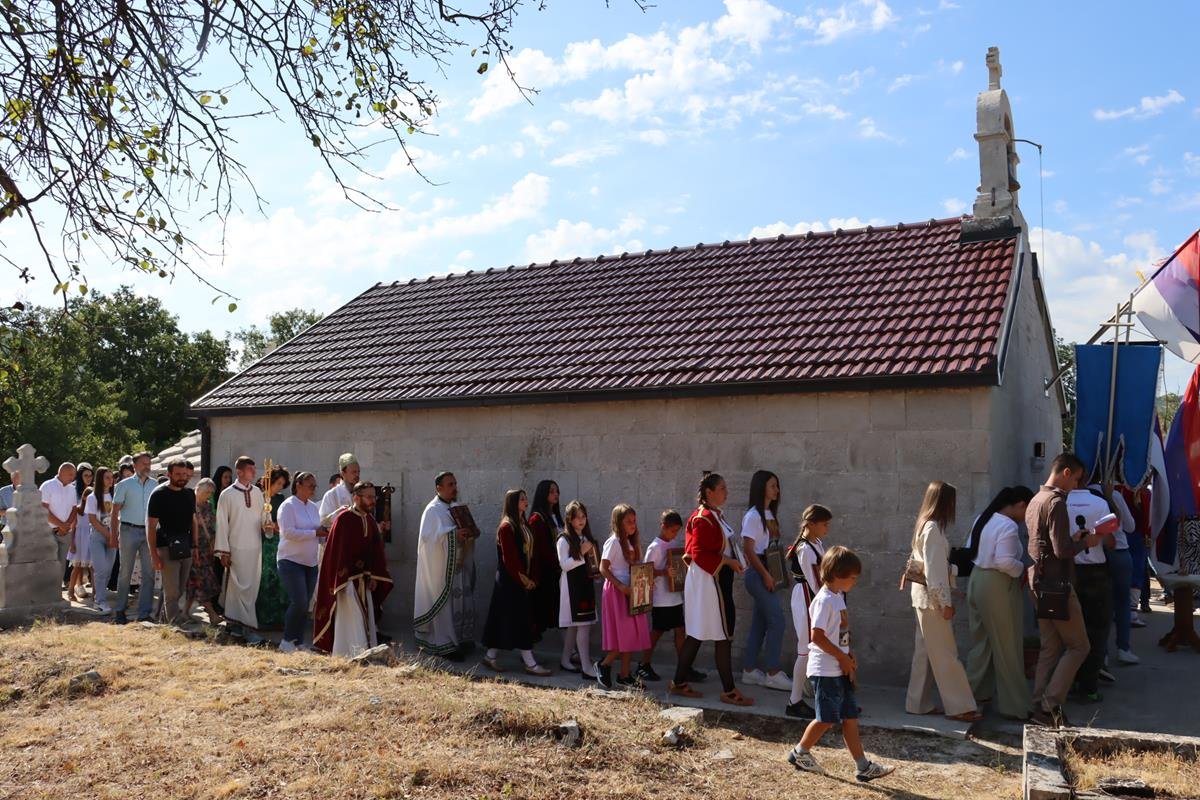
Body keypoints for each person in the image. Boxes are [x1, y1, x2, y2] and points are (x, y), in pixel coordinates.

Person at [786, 546, 895, 784]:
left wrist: (849, 655)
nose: (855, 582)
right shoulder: (824, 600)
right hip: (825, 670)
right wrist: (842, 657)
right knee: (826, 718)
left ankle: (863, 766)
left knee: (850, 717)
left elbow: (839, 634)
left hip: (839, 667)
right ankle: (799, 753)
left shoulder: (837, 598)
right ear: (837, 574)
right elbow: (817, 636)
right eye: (853, 577)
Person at [1027, 453, 1103, 727]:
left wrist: (1072, 540)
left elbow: (1049, 544)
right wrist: (1087, 542)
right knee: (1080, 646)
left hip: (1038, 581)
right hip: (1057, 584)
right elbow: (1061, 551)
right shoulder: (1057, 501)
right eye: (1077, 480)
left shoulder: (1036, 500)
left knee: (1050, 647)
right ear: (1067, 472)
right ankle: (1050, 706)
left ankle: (1039, 706)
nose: (1077, 486)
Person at [669, 472, 752, 706]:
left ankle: (678, 682)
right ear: (709, 492)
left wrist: (733, 558)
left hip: (711, 580)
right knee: (722, 633)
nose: (727, 492)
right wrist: (727, 561)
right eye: (723, 488)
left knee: (700, 633)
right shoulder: (703, 517)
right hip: (709, 582)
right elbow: (697, 553)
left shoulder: (713, 515)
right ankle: (728, 690)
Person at [905, 480, 981, 722]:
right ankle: (960, 707)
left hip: (922, 599)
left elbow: (932, 567)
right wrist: (945, 604)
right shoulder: (933, 530)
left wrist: (953, 571)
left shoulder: (924, 526)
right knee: (947, 654)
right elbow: (935, 575)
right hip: (931, 601)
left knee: (925, 653)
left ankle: (918, 703)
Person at [964, 486, 1034, 720]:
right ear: (1021, 505)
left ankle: (970, 696)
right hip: (997, 584)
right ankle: (1016, 706)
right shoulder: (1008, 525)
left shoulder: (983, 519)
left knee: (982, 643)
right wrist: (1022, 569)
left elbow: (968, 549)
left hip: (977, 579)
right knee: (1008, 647)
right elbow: (1005, 562)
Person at [313, 482, 393, 656]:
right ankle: (347, 656)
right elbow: (337, 553)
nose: (373, 501)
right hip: (346, 582)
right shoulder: (344, 519)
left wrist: (373, 575)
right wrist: (343, 581)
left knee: (364, 620)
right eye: (369, 497)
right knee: (350, 620)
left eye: (374, 497)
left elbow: (374, 551)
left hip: (364, 580)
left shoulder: (369, 520)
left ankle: (363, 654)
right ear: (356, 498)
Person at [481, 489, 551, 675]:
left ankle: (490, 656)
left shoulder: (523, 523)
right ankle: (530, 663)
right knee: (521, 621)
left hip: (521, 582)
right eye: (521, 499)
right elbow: (510, 559)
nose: (526, 501)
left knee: (505, 620)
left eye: (526, 498)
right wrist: (524, 580)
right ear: (513, 502)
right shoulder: (506, 527)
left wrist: (533, 578)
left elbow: (531, 553)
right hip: (509, 582)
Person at [414, 471, 476, 660]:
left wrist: (470, 533)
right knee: (445, 607)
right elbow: (428, 540)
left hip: (458, 566)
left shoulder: (457, 507)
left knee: (461, 604)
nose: (454, 488)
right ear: (438, 488)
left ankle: (459, 639)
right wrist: (453, 535)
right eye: (450, 484)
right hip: (441, 570)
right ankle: (444, 644)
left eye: (455, 484)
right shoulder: (432, 510)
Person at [1066, 478, 1116, 703]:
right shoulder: (1099, 502)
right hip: (1096, 572)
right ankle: (1089, 686)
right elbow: (1111, 542)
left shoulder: (1060, 502)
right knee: (1097, 631)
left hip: (1068, 570)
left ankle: (1067, 682)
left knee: (1067, 632)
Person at [740, 470, 790, 692]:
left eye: (777, 486)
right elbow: (749, 550)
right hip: (758, 575)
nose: (776, 490)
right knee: (777, 621)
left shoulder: (770, 514)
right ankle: (772, 672)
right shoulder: (753, 516)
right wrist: (766, 575)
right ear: (761, 487)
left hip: (769, 573)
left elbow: (770, 547)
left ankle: (749, 671)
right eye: (772, 486)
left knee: (760, 624)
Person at [785, 504, 834, 719]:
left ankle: (826, 698)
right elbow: (815, 583)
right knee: (805, 650)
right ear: (812, 524)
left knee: (818, 650)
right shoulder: (805, 548)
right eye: (824, 524)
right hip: (806, 596)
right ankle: (794, 701)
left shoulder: (817, 543)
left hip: (815, 597)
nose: (826, 528)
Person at [596, 503, 652, 689]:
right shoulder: (613, 542)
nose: (632, 524)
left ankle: (625, 674)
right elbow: (603, 568)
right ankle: (604, 664)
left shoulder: (632, 542)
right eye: (628, 521)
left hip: (632, 590)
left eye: (634, 521)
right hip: (617, 591)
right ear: (619, 522)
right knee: (624, 634)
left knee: (632, 634)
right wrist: (620, 586)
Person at [638, 509, 697, 684]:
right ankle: (644, 664)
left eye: (677, 531)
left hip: (675, 598)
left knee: (680, 631)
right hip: (661, 600)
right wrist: (664, 572)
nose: (675, 534)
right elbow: (645, 571)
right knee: (656, 633)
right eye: (672, 530)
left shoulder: (672, 544)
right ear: (663, 527)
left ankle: (684, 667)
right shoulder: (654, 547)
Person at [215, 456, 270, 641]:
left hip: (255, 548)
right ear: (239, 471)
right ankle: (243, 627)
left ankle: (239, 626)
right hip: (235, 548)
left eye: (254, 469)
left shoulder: (257, 493)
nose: (254, 473)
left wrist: (268, 525)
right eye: (250, 469)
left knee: (251, 587)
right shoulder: (227, 494)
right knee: (236, 588)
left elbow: (262, 518)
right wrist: (223, 551)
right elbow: (222, 523)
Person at [1087, 481, 1138, 666]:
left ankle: (1103, 653)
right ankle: (1123, 649)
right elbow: (1130, 526)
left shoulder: (1083, 494)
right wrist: (1110, 497)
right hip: (1119, 553)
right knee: (1122, 603)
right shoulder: (1113, 494)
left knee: (1102, 604)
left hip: (1096, 554)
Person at [276, 471, 326, 652]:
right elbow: (288, 532)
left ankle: (298, 641)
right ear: (298, 485)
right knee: (299, 601)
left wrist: (325, 537)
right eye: (310, 485)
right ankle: (286, 640)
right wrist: (315, 533)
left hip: (310, 563)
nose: (313, 489)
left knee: (306, 605)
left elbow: (317, 531)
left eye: (315, 486)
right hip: (290, 561)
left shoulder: (313, 507)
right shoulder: (287, 506)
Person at [147, 459, 198, 625]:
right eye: (178, 474)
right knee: (171, 590)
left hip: (186, 545)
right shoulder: (158, 495)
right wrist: (154, 555)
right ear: (169, 474)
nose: (182, 477)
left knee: (180, 589)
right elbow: (151, 527)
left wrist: (195, 546)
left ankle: (164, 619)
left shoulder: (190, 494)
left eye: (185, 474)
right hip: (166, 546)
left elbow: (193, 521)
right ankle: (175, 624)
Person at [110, 452, 157, 624]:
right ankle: (120, 610)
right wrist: (113, 535)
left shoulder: (155, 485)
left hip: (148, 532)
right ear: (135, 465)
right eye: (143, 463)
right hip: (128, 530)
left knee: (149, 573)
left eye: (149, 463)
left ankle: (144, 612)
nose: (147, 466)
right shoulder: (124, 485)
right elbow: (115, 511)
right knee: (125, 572)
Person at [556, 499, 599, 678]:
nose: (581, 520)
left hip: (585, 585)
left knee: (576, 626)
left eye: (583, 516)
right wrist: (582, 552)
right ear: (569, 519)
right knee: (582, 625)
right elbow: (564, 565)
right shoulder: (563, 539)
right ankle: (586, 666)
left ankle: (566, 659)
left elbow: (591, 562)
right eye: (577, 517)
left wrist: (596, 571)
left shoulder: (585, 538)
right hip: (572, 588)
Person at [528, 480, 565, 638]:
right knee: (539, 615)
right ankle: (528, 654)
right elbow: (541, 549)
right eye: (551, 491)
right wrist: (558, 564)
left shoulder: (556, 516)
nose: (555, 494)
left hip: (558, 571)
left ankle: (570, 652)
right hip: (545, 574)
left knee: (562, 615)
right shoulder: (537, 519)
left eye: (557, 491)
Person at [255, 466, 291, 629]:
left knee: (278, 579)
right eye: (277, 483)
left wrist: (276, 526)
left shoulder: (281, 499)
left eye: (282, 484)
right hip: (259, 541)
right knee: (263, 580)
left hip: (276, 541)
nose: (279, 487)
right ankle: (263, 617)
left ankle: (279, 618)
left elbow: (284, 521)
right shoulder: (257, 497)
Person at [188, 478, 223, 626]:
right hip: (194, 549)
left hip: (207, 550)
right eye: (206, 491)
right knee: (200, 582)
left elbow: (214, 526)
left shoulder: (208, 506)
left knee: (196, 582)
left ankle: (184, 612)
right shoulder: (189, 505)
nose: (208, 495)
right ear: (197, 489)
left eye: (210, 492)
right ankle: (212, 614)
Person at [85, 468, 116, 615]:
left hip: (113, 534)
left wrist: (113, 535)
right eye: (107, 478)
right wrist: (108, 535)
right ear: (100, 479)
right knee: (101, 569)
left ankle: (100, 597)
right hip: (98, 535)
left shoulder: (115, 495)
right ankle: (100, 601)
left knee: (108, 570)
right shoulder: (92, 497)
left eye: (111, 477)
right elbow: (92, 520)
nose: (111, 480)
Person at [41, 461, 77, 583]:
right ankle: (46, 593)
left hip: (65, 533)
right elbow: (43, 509)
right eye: (71, 474)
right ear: (61, 472)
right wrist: (62, 525)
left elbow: (74, 509)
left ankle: (57, 593)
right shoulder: (47, 486)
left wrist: (66, 527)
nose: (73, 477)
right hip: (48, 532)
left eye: (74, 474)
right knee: (48, 563)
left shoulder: (72, 489)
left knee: (61, 564)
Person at [67, 462, 94, 601]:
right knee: (77, 565)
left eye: (90, 475)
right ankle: (71, 591)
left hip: (92, 529)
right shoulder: (73, 492)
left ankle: (97, 594)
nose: (88, 478)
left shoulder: (95, 491)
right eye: (85, 475)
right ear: (80, 476)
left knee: (93, 565)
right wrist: (84, 498)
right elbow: (79, 512)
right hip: (78, 530)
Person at [318, 454, 357, 527]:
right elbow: (323, 522)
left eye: (358, 472)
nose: (357, 475)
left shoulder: (360, 493)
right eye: (353, 472)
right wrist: (338, 513)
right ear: (343, 473)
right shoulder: (332, 495)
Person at [0, 469, 18, 533]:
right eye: (18, 478)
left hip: (26, 527)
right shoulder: (3, 491)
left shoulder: (31, 491)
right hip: (7, 527)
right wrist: (13, 512)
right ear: (12, 479)